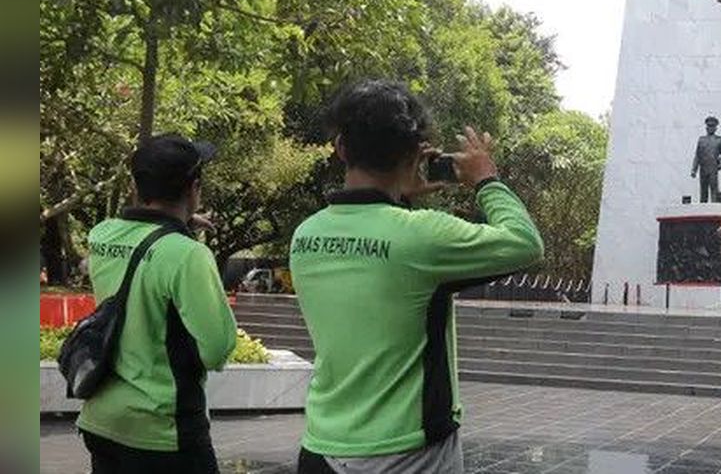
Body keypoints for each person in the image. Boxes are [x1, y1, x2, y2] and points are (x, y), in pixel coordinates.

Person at [290, 80, 543, 474]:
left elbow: (379, 260)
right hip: (406, 453)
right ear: (413, 153)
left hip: (321, 447)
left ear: (340, 147)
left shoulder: (306, 235)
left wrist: (400, 196)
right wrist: (486, 179)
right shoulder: (422, 235)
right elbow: (524, 243)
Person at [76, 134, 237, 473]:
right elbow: (217, 349)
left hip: (102, 421)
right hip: (162, 431)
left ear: (136, 185)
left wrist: (185, 221)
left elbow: (139, 236)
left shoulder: (102, 235)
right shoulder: (188, 256)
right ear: (195, 187)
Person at [691, 115, 721, 203]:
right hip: (703, 168)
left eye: (712, 126)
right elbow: (697, 156)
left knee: (714, 189)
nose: (710, 128)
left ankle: (715, 209)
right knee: (703, 191)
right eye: (709, 126)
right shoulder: (701, 140)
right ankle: (702, 210)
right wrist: (694, 169)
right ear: (706, 127)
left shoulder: (719, 140)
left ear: (715, 128)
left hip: (713, 167)